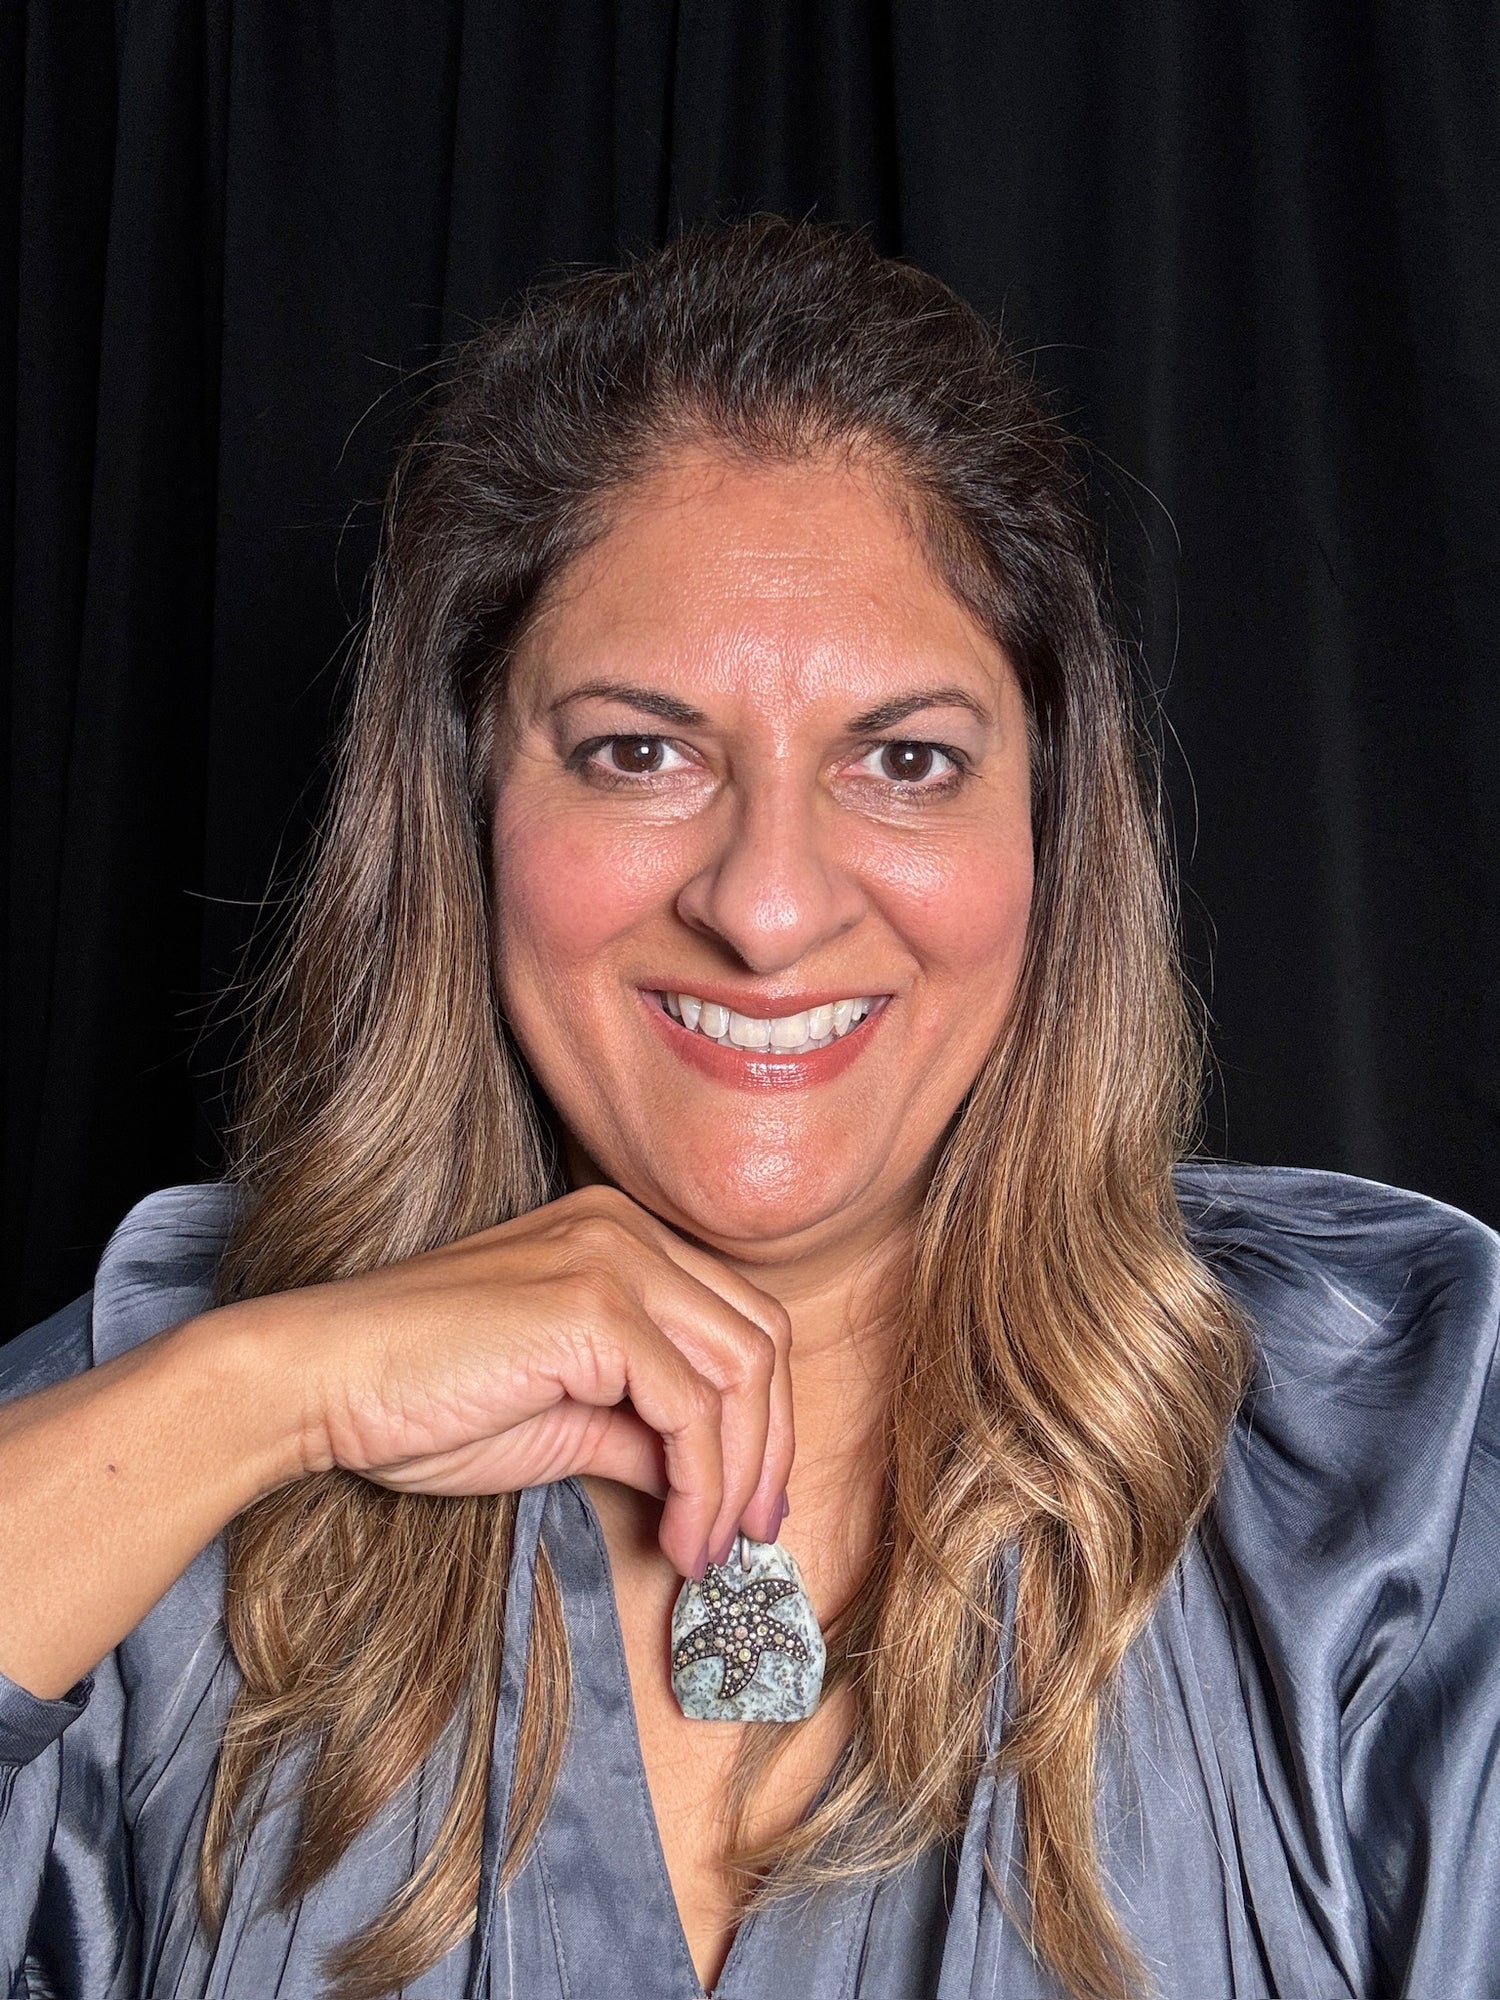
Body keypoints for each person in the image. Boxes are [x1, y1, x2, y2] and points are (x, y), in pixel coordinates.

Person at [0, 218, 1495, 2000]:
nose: (769, 906)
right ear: (468, 807)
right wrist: (262, 1390)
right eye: (642, 752)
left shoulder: (1391, 1489)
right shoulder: (152, 1429)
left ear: (1051, 829)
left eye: (906, 760)